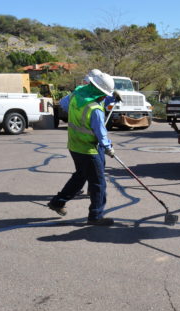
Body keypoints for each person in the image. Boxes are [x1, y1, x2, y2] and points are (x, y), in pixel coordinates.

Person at [47, 69, 116, 226]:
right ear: (98, 90)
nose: (106, 96)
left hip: (74, 145)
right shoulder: (95, 110)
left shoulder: (76, 94)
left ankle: (58, 202)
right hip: (89, 148)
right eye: (105, 93)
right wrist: (109, 147)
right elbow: (101, 133)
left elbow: (65, 105)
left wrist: (112, 98)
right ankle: (96, 216)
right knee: (98, 183)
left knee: (80, 176)